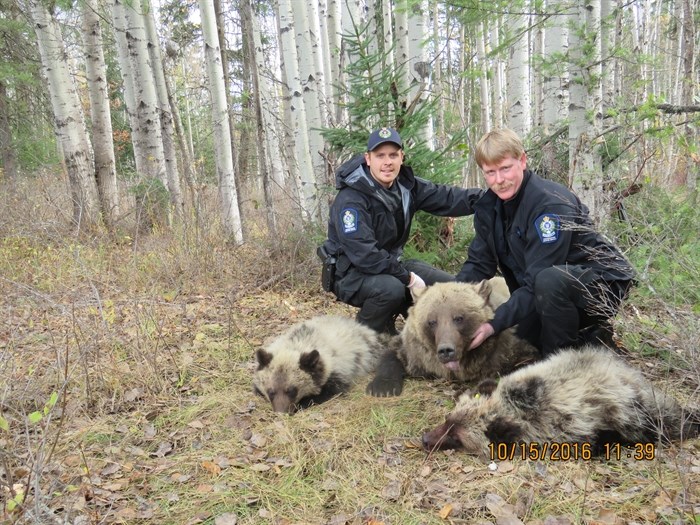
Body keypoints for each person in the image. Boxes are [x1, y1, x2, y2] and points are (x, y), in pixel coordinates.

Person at [456, 128, 636, 356]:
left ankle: (559, 366)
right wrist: (451, 299)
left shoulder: (549, 205)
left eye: (505, 169)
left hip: (602, 285)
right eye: (490, 172)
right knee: (521, 335)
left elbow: (539, 279)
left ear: (522, 161)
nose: (499, 180)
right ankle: (592, 341)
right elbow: (479, 264)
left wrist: (492, 324)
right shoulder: (489, 208)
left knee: (548, 281)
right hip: (547, 289)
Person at [320, 127, 483, 334]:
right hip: (351, 274)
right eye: (380, 156)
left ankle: (410, 331)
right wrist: (408, 279)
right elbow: (365, 256)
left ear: (401, 158)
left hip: (389, 267)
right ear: (368, 159)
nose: (387, 162)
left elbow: (447, 197)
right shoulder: (351, 200)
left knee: (450, 287)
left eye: (393, 155)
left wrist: (486, 198)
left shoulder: (406, 187)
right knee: (391, 290)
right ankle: (361, 337)